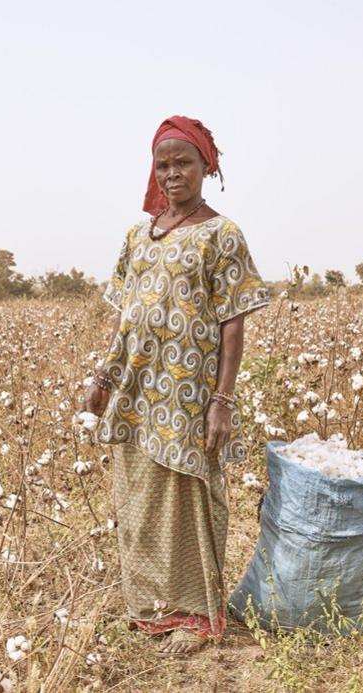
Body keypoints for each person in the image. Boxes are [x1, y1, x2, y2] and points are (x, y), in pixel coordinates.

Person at [79, 115, 271, 655]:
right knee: (138, 500)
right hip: (137, 391)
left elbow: (232, 321)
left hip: (189, 394)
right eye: (162, 165)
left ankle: (196, 616)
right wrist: (104, 377)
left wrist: (222, 401)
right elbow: (128, 319)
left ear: (207, 165)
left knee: (187, 501)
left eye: (182, 162)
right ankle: (150, 609)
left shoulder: (222, 234)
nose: (171, 174)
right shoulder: (139, 236)